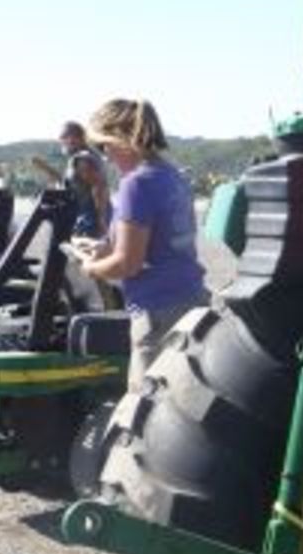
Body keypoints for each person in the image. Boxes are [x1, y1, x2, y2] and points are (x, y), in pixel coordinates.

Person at [75, 98, 206, 385]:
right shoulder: (173, 175)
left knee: (141, 415)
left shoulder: (137, 183)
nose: (106, 156)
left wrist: (90, 268)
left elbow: (128, 264)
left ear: (122, 139)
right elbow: (167, 240)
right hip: (193, 300)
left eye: (105, 146)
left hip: (158, 312)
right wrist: (101, 248)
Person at [58, 120, 112, 238]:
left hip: (91, 219)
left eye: (64, 137)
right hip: (87, 217)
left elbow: (99, 187)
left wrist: (101, 220)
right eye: (61, 137)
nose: (61, 141)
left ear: (76, 138)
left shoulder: (83, 159)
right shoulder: (85, 156)